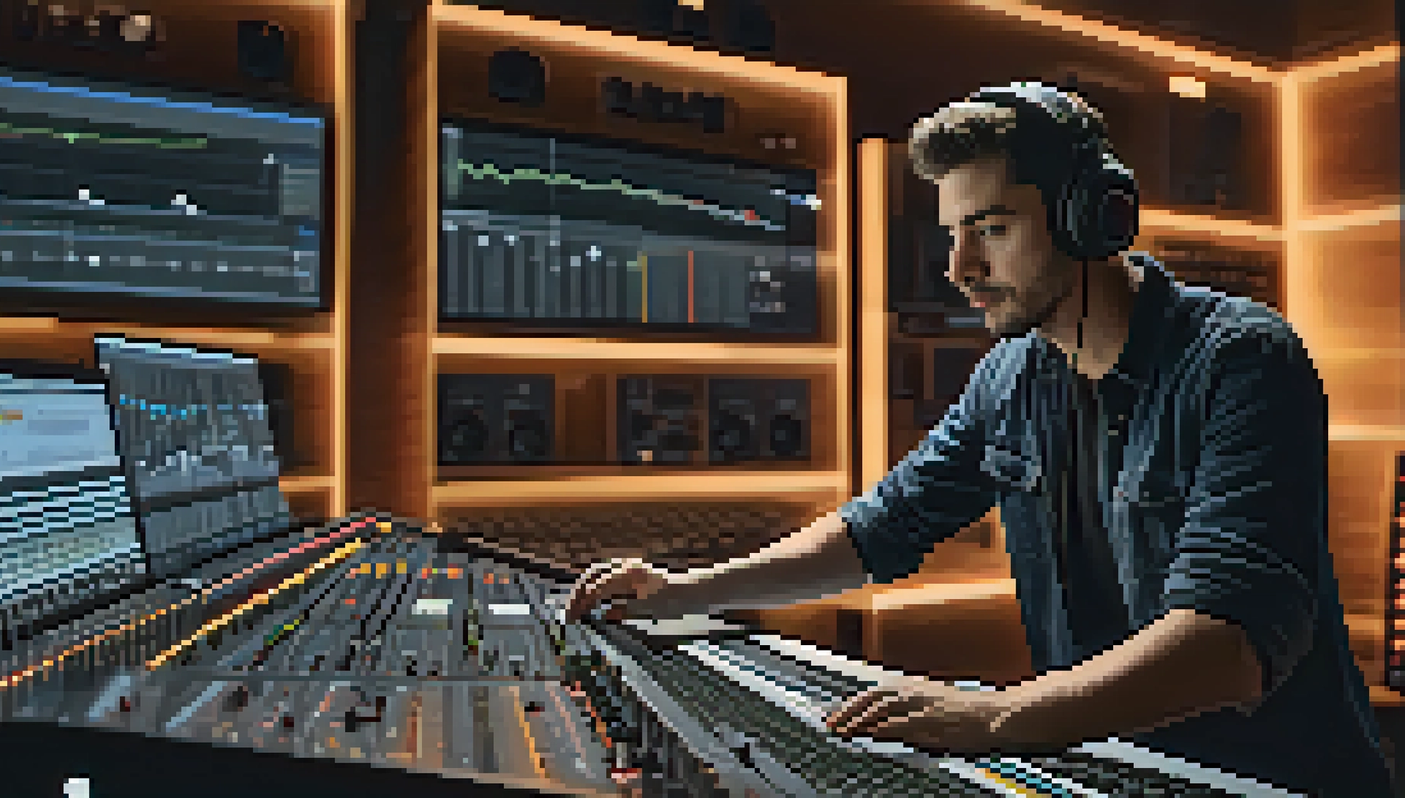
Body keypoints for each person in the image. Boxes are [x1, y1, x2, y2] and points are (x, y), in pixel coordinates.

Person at [562, 83, 1396, 797]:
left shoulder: (1240, 358)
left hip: (1269, 782)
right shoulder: (1011, 377)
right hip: (1112, 766)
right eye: (952, 233)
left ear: (1091, 218)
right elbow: (877, 531)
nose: (958, 266)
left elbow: (1230, 644)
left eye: (991, 228)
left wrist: (1000, 714)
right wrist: (684, 591)